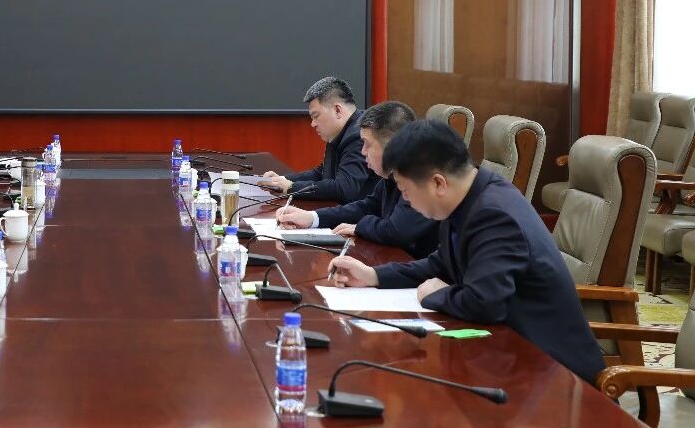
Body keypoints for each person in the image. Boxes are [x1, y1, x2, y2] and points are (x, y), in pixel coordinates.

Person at [327, 120, 605, 384]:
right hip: (509, 357)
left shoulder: (494, 215)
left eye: (405, 189)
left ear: (438, 183)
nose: (406, 199)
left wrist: (433, 294)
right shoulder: (468, 200)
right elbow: (440, 264)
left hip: (553, 374)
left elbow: (484, 302)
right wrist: (373, 275)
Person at [277, 101, 438, 260]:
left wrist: (360, 227)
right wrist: (312, 217)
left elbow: (397, 230)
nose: (363, 152)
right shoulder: (394, 171)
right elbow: (368, 206)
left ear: (392, 146)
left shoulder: (421, 175)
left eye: (367, 144)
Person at [259, 76, 375, 203]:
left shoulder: (358, 136)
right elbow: (321, 173)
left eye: (316, 116)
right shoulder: (340, 132)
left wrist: (291, 187)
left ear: (337, 110)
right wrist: (281, 180)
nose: (313, 124)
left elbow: (344, 188)